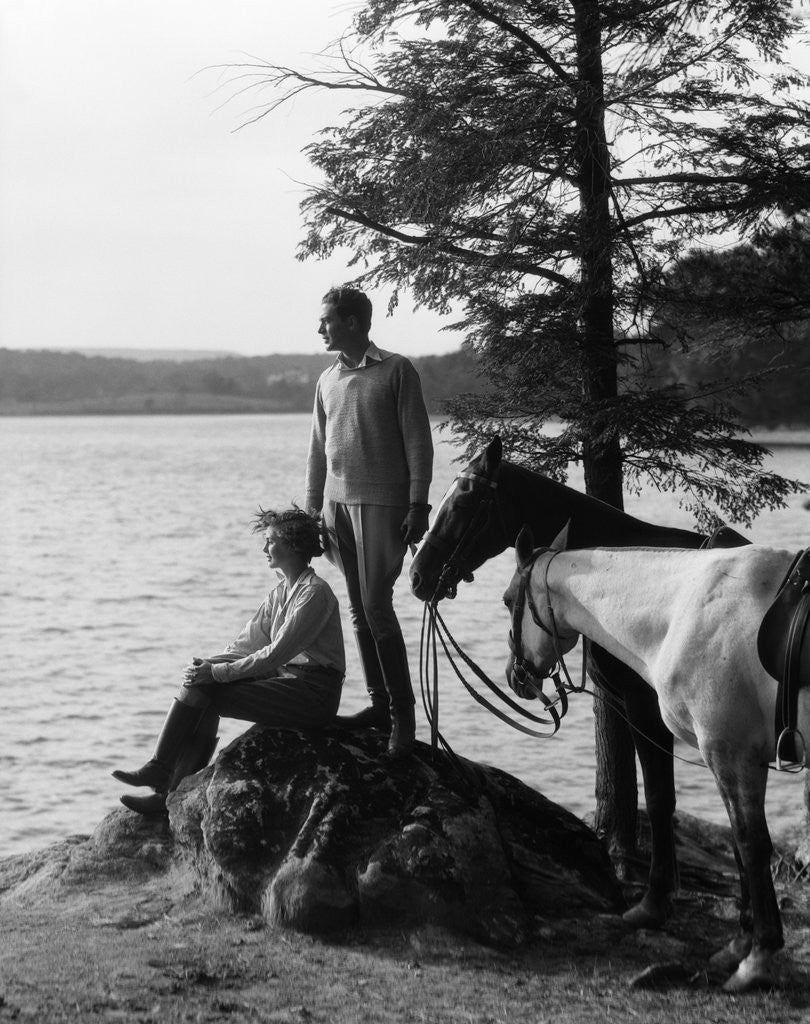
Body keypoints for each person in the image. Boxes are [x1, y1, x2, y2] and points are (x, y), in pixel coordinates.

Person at [113, 507, 345, 815]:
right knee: (201, 684)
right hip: (287, 681)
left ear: (292, 546)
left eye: (270, 541)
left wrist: (217, 673)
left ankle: (163, 782)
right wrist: (207, 666)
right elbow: (247, 645)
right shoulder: (280, 592)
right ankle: (162, 779)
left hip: (313, 694)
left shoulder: (314, 594)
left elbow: (275, 654)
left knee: (210, 693)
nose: (264, 549)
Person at [305, 285, 433, 759]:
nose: (320, 328)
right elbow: (317, 450)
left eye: (327, 320)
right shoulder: (326, 379)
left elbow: (419, 443)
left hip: (383, 505)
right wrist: (312, 510)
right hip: (336, 507)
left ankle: (403, 717)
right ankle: (380, 707)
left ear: (353, 323)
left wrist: (418, 506)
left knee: (377, 606)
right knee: (359, 610)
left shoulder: (396, 370)